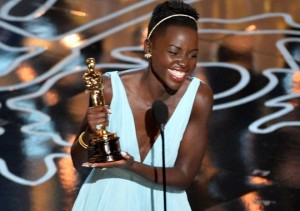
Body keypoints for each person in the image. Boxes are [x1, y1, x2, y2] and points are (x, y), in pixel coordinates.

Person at [71, 0, 213, 210]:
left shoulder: (198, 98)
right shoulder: (110, 89)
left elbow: (184, 176)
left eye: (193, 55)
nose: (184, 63)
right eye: (174, 52)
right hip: (107, 201)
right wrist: (90, 134)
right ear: (148, 47)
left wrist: (131, 166)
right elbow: (78, 161)